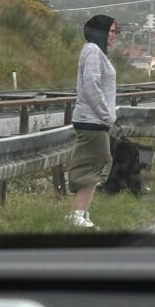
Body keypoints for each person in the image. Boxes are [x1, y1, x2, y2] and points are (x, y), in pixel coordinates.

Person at [65, 15, 117, 229]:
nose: (114, 36)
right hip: (92, 120)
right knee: (95, 164)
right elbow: (91, 85)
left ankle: (82, 212)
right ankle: (76, 214)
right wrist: (106, 115)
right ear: (101, 31)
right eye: (112, 31)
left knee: (98, 163)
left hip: (95, 120)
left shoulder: (96, 52)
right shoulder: (93, 51)